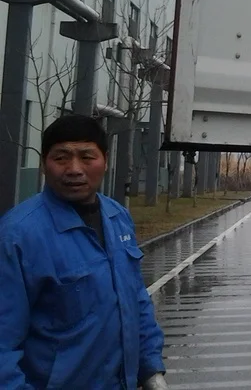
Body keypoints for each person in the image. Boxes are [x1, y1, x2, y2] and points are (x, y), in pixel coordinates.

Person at [0, 113, 168, 389]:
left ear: (105, 160)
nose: (74, 169)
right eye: (61, 158)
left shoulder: (117, 216)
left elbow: (136, 299)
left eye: (87, 157)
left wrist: (150, 369)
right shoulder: (18, 235)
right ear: (44, 164)